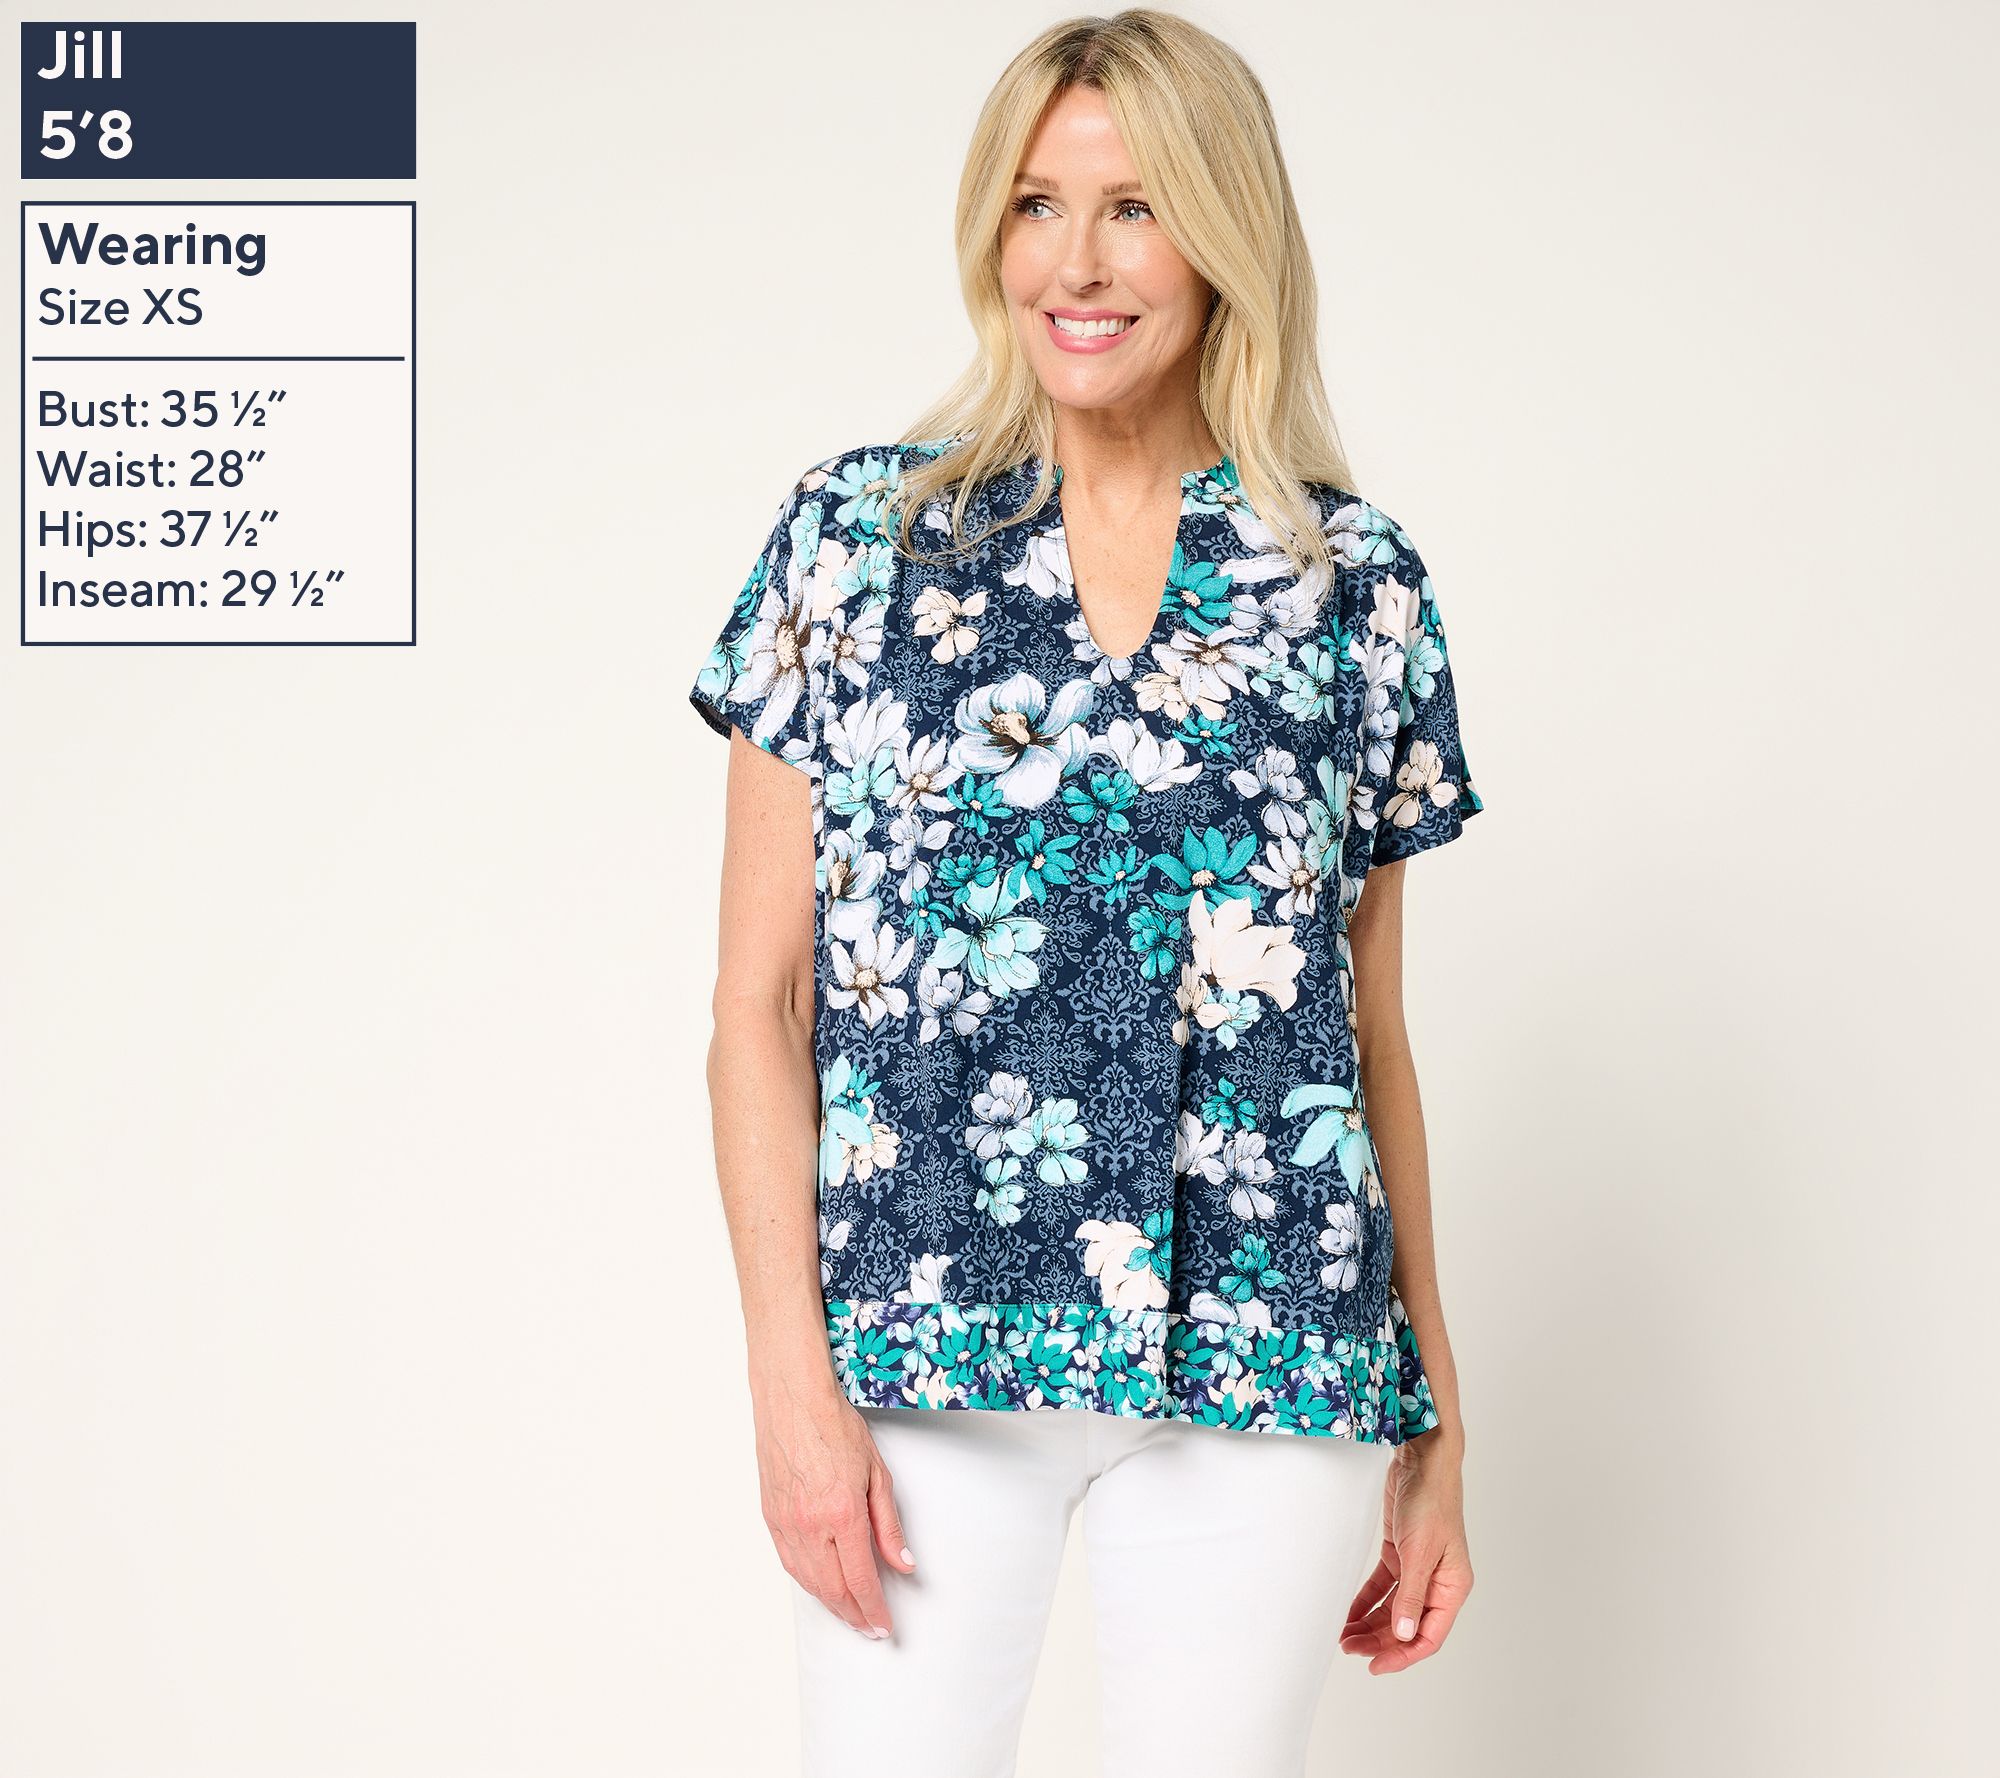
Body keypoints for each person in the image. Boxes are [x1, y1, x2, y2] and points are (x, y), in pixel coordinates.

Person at [687, 12, 1486, 1776]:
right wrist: (788, 1385)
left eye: (1135, 209)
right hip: (924, 1348)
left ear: (1225, 234)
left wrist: (1435, 1421)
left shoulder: (1353, 584)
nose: (1078, 263)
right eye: (1036, 204)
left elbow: (1367, 1038)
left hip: (1271, 1350)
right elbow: (760, 1003)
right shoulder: (856, 544)